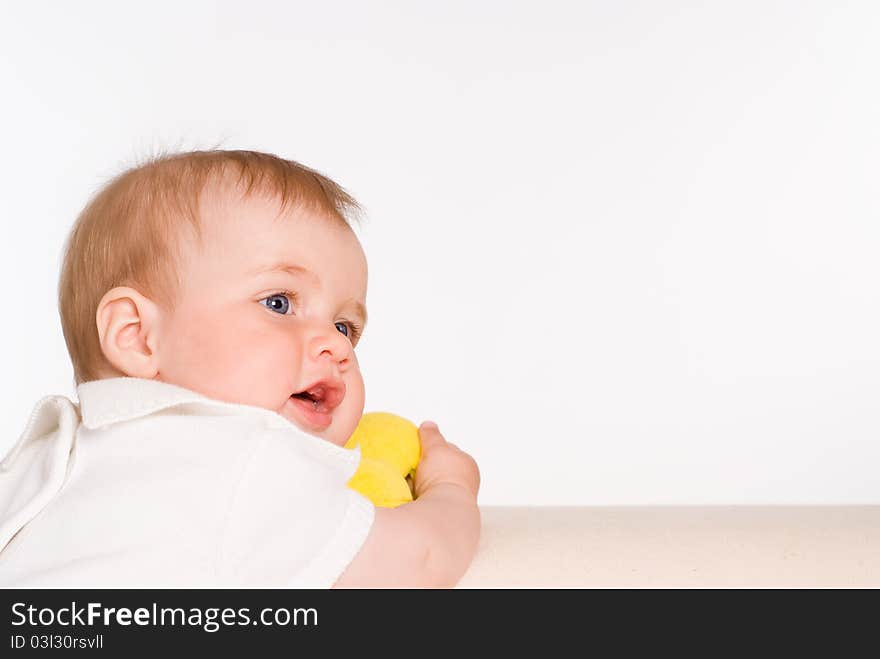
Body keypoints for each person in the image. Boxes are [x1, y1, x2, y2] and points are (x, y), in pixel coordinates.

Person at [0, 149, 480, 587]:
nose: (336, 345)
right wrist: (450, 487)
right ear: (138, 336)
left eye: (345, 326)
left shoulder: (41, 460)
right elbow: (421, 561)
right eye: (278, 302)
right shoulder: (246, 457)